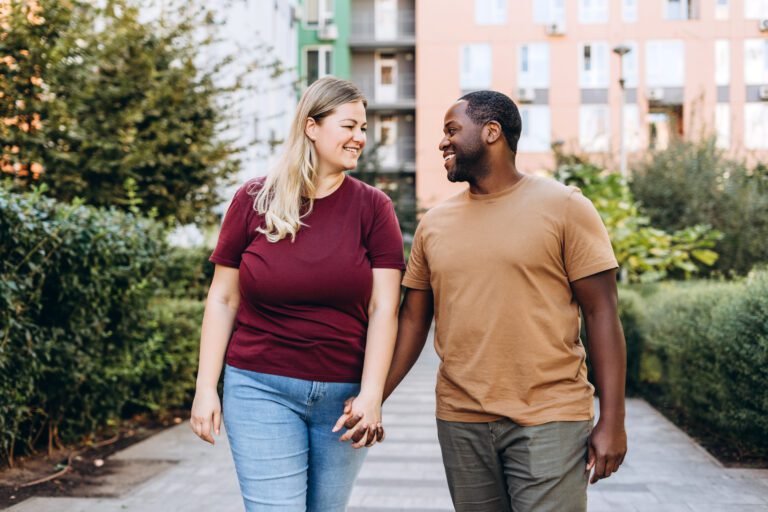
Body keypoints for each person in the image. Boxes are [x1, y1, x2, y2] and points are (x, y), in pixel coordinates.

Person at [340, 90, 628, 512]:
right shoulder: (433, 224)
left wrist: (613, 420)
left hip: (550, 417)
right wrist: (373, 397)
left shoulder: (565, 207)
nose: (443, 142)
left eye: (452, 130)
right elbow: (414, 322)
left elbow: (602, 313)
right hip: (461, 420)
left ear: (492, 132)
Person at [189, 76, 405, 512]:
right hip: (258, 388)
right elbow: (223, 299)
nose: (359, 138)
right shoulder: (253, 199)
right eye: (349, 126)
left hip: (342, 400)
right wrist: (205, 388)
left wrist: (372, 394)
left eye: (363, 128)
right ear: (312, 126)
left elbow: (385, 308)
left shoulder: (374, 208)